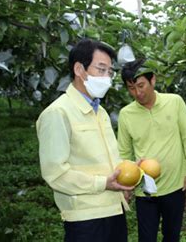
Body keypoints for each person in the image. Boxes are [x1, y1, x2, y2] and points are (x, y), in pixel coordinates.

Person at [36, 39, 133, 242]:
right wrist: (102, 183)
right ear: (79, 69)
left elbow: (105, 157)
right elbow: (55, 173)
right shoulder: (57, 113)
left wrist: (129, 173)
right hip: (86, 219)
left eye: (110, 72)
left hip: (114, 210)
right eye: (101, 69)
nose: (107, 77)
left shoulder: (101, 112)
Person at [117, 59, 186, 242]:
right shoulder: (126, 114)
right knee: (146, 238)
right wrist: (124, 184)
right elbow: (124, 153)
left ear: (153, 80)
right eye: (131, 88)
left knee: (172, 236)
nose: (137, 93)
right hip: (144, 190)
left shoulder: (174, 102)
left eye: (141, 85)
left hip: (175, 187)